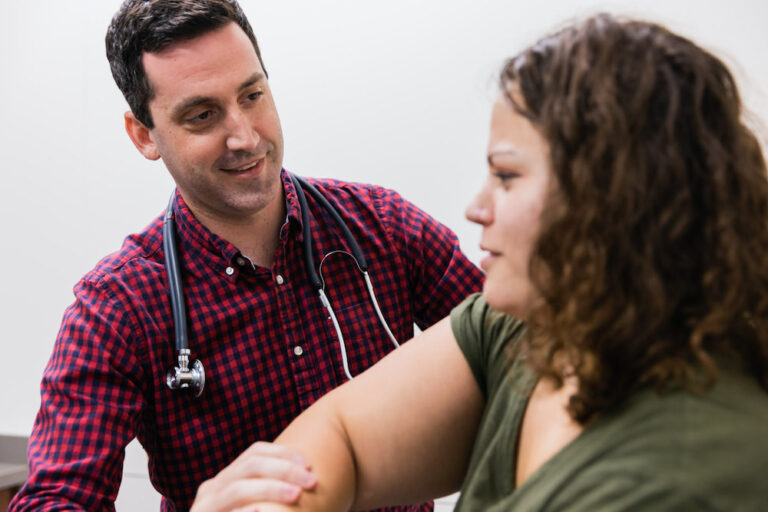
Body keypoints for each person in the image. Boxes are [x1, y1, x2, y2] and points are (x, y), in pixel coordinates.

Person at [209, 13, 768, 511]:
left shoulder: (679, 479)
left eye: (506, 176)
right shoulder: (527, 329)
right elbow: (341, 437)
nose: (476, 208)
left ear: (614, 198)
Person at [8, 1, 484, 511]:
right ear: (144, 134)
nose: (246, 136)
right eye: (202, 115)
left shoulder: (383, 228)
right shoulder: (117, 308)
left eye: (252, 95)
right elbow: (54, 502)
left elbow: (524, 349)